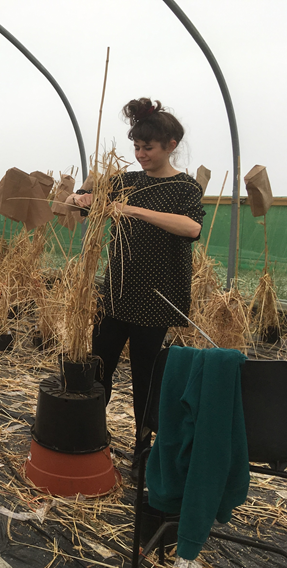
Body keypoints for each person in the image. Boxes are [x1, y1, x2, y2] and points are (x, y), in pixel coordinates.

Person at [69, 98, 205, 479]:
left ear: (171, 146)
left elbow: (191, 228)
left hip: (157, 297)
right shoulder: (126, 182)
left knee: (147, 378)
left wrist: (131, 210)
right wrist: (80, 198)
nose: (141, 155)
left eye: (149, 148)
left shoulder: (184, 188)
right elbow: (74, 205)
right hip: (117, 291)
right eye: (137, 148)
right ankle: (91, 437)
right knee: (99, 368)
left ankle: (143, 453)